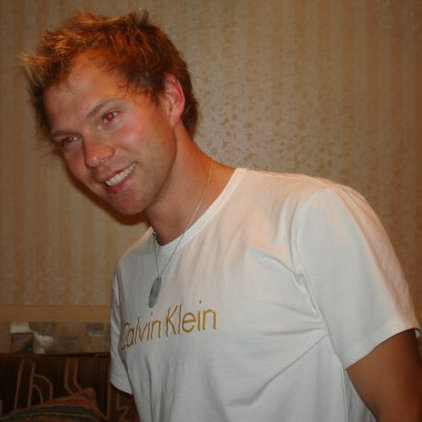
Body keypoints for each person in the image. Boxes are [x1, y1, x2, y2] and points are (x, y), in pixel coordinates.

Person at [23, 10, 422, 422]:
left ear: (169, 98)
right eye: (69, 140)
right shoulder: (129, 272)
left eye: (108, 116)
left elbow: (404, 406)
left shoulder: (311, 215)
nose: (92, 157)